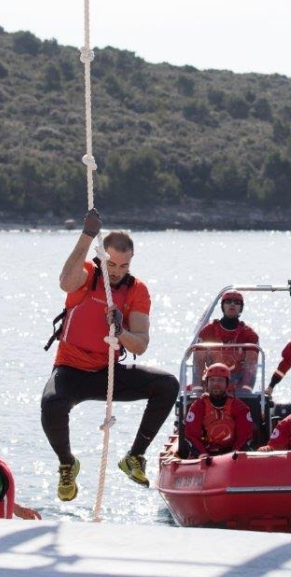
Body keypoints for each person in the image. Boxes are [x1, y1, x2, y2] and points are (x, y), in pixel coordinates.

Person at [41, 208, 179, 501]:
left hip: (107, 372)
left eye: (124, 266)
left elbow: (140, 344)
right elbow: (65, 281)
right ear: (102, 256)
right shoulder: (88, 274)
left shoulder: (137, 290)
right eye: (112, 264)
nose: (116, 272)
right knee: (51, 405)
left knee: (167, 385)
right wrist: (87, 235)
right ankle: (67, 464)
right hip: (71, 368)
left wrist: (120, 331)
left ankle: (134, 456)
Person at [182, 363, 255, 457]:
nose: (215, 384)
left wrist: (234, 455)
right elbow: (191, 436)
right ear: (207, 383)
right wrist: (202, 455)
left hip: (232, 456)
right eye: (212, 380)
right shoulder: (198, 406)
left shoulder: (240, 408)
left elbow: (244, 437)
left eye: (220, 380)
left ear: (227, 383)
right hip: (204, 454)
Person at [196, 290, 260, 389]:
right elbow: (199, 361)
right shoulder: (208, 331)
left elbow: (251, 365)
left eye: (237, 302)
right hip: (212, 379)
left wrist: (245, 390)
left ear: (241, 308)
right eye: (228, 301)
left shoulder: (249, 335)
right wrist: (198, 387)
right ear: (222, 306)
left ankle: (246, 388)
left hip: (237, 381)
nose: (232, 304)